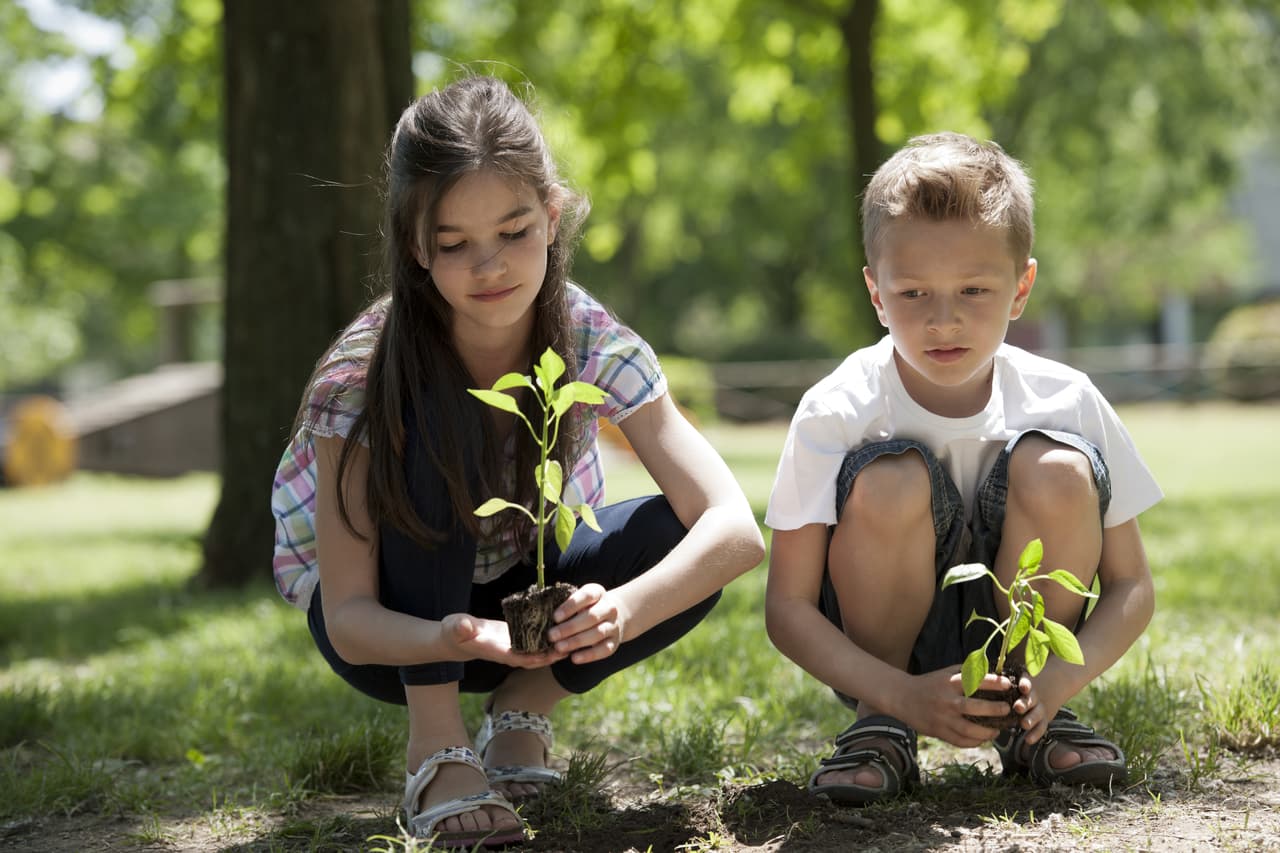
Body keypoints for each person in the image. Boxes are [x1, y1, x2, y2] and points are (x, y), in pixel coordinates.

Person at [271, 75, 764, 848]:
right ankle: (437, 745)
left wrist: (622, 611)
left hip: (531, 612)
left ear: (552, 216)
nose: (490, 266)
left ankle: (522, 709)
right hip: (397, 629)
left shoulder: (587, 335)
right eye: (453, 244)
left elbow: (735, 528)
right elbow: (350, 620)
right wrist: (453, 637)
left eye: (514, 231)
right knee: (438, 417)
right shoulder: (363, 374)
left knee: (680, 536)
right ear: (415, 245)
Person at [764, 132, 1160, 805]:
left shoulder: (1067, 398)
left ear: (1021, 287)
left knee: (1060, 470)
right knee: (889, 481)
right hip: (887, 659)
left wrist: (1058, 680)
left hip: (1031, 654)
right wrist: (898, 693)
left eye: (974, 289)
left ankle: (1031, 720)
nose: (943, 320)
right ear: (876, 292)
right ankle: (882, 726)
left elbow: (1132, 585)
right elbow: (788, 606)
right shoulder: (837, 408)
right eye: (913, 292)